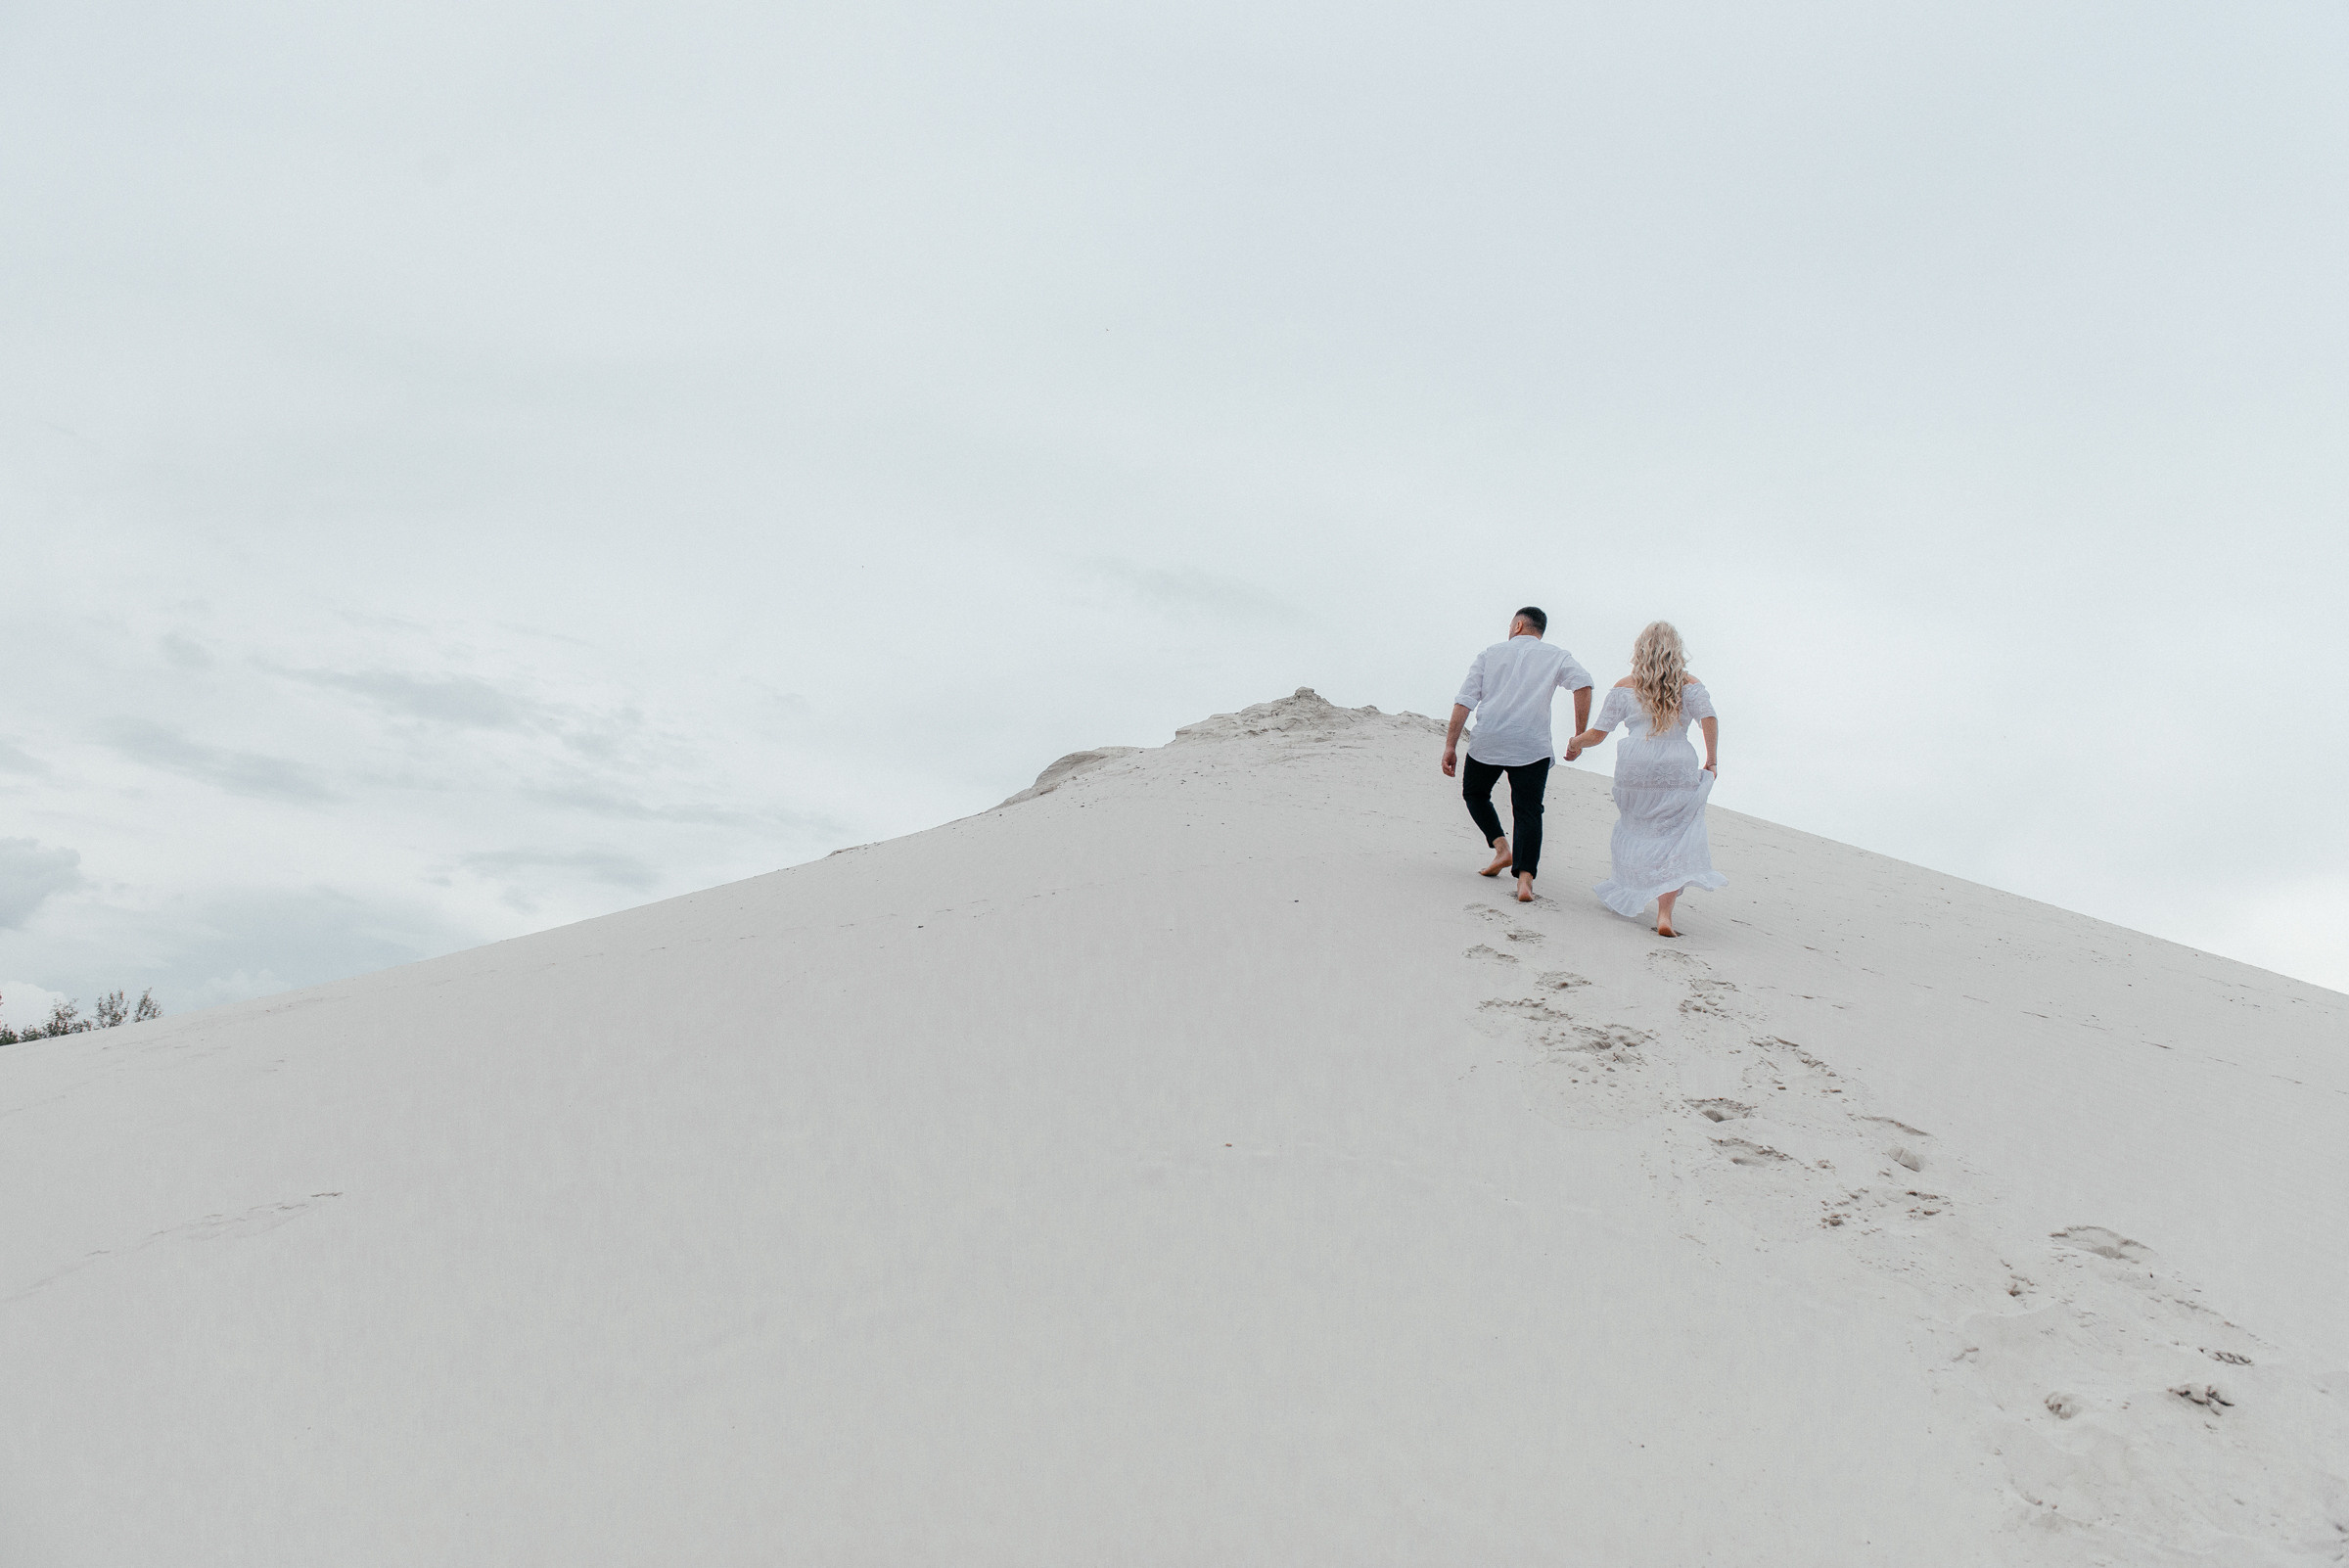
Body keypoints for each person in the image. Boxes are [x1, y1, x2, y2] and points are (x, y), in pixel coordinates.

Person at [1567, 621, 1725, 937]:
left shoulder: (1625, 686)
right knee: (1676, 835)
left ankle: (1632, 887)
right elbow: (1709, 717)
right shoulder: (1689, 684)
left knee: (1635, 828)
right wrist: (1712, 759)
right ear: (1675, 649)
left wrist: (1575, 743)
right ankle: (1664, 914)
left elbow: (1599, 733)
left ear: (1640, 650)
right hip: (1676, 762)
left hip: (1635, 765)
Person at [1442, 607, 1594, 903]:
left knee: (1475, 794)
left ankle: (1501, 848)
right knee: (1528, 810)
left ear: (1519, 625)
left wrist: (1451, 745)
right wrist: (1578, 736)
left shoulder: (1490, 654)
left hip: (1489, 741)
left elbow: (1465, 700)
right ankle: (1525, 880)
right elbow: (1583, 684)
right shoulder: (1556, 655)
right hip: (1531, 745)